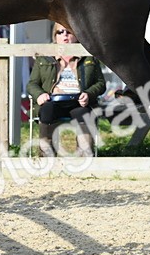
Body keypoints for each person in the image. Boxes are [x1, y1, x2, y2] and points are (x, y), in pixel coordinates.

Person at [26, 24, 106, 157]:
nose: (65, 35)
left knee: (85, 114)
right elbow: (32, 84)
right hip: (53, 100)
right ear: (55, 36)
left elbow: (101, 83)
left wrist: (89, 94)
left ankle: (85, 156)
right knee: (47, 111)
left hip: (78, 101)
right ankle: (46, 155)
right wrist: (39, 94)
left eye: (69, 32)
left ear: (76, 35)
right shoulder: (44, 57)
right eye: (60, 32)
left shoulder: (88, 56)